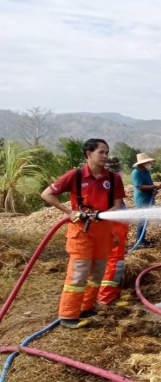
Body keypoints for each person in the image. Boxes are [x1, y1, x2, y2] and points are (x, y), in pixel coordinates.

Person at [41, 139, 125, 328]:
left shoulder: (113, 179)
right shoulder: (76, 175)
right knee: (79, 273)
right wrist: (69, 212)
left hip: (103, 231)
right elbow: (46, 194)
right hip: (81, 232)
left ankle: (86, 307)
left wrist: (103, 216)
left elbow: (117, 206)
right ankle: (68, 315)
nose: (105, 156)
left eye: (106, 152)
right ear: (89, 154)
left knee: (97, 272)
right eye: (101, 152)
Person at [97, 157, 130, 306]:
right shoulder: (107, 185)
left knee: (114, 262)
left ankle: (112, 292)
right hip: (114, 227)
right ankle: (106, 296)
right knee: (114, 263)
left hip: (117, 226)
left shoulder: (110, 184)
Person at [131, 152, 161, 247]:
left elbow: (149, 184)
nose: (149, 163)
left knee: (146, 220)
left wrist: (154, 190)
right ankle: (139, 241)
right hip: (142, 200)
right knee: (142, 220)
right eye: (147, 162)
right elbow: (140, 187)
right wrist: (155, 186)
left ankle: (142, 239)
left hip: (149, 198)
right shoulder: (136, 173)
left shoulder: (146, 171)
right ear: (142, 163)